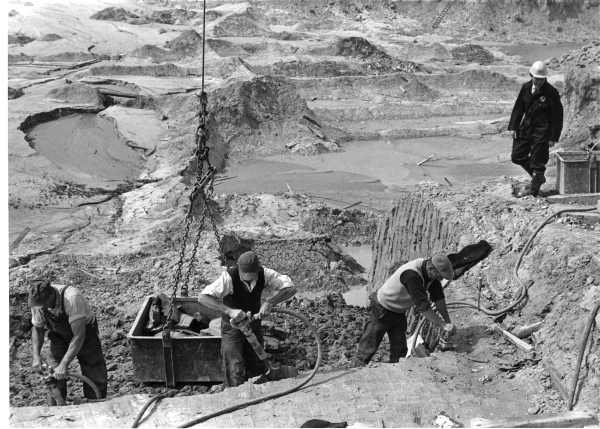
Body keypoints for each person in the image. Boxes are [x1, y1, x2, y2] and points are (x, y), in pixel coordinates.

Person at [198, 251, 297, 387]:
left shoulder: (265, 274)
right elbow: (202, 298)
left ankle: (258, 389)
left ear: (257, 270)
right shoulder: (228, 278)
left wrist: (270, 302)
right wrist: (229, 310)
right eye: (244, 276)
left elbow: (290, 288)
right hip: (232, 326)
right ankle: (233, 392)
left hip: (253, 323)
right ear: (239, 268)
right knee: (234, 363)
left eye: (251, 276)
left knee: (256, 359)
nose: (248, 279)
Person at [356, 253, 456, 365]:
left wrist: (447, 321)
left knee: (399, 350)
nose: (440, 279)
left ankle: (396, 373)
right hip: (382, 308)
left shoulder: (429, 273)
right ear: (431, 268)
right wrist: (442, 325)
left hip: (398, 311)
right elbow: (423, 307)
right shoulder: (412, 275)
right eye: (439, 276)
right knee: (369, 345)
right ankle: (357, 370)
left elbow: (438, 298)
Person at [29, 278, 107, 402]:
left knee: (92, 367)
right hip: (58, 334)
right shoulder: (38, 303)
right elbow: (37, 329)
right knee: (53, 372)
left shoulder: (72, 298)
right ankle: (57, 407)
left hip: (85, 333)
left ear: (51, 296)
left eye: (43, 306)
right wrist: (36, 356)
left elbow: (78, 336)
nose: (40, 309)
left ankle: (96, 402)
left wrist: (64, 364)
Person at [508, 60, 563, 197]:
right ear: (531, 76)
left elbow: (557, 117)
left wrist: (553, 137)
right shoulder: (525, 88)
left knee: (538, 162)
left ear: (545, 78)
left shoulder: (551, 93)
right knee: (517, 156)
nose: (538, 82)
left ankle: (534, 191)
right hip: (526, 128)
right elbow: (518, 108)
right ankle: (537, 176)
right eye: (536, 79)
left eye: (541, 79)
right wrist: (514, 127)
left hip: (542, 132)